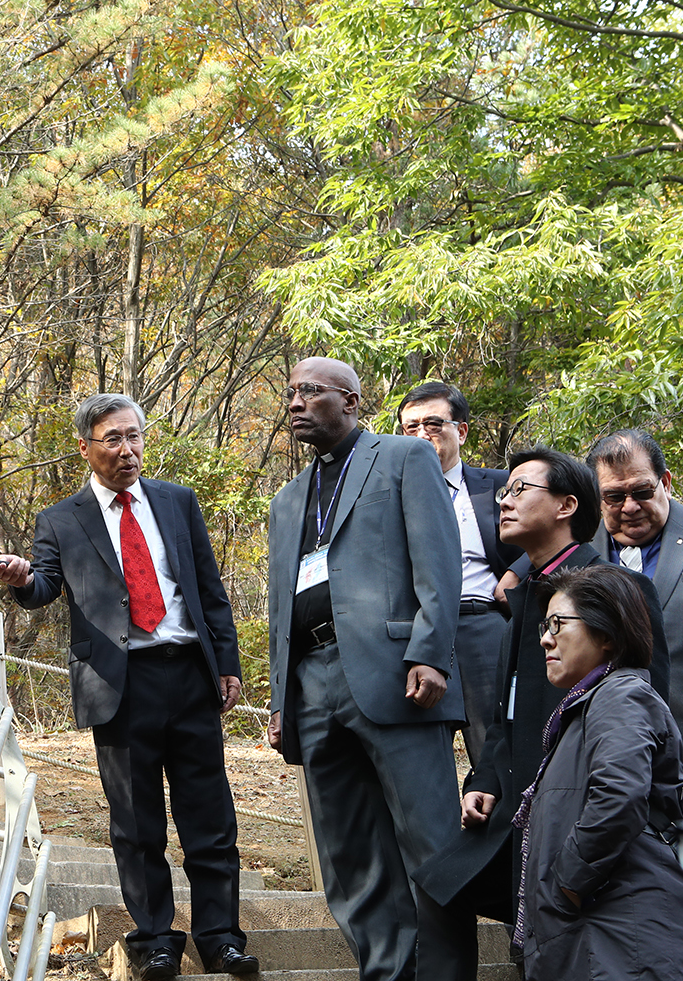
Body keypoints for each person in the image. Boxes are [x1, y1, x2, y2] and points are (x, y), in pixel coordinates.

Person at [0, 393, 257, 977]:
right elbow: (42, 587)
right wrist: (20, 579)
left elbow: (208, 588)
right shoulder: (62, 520)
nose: (127, 449)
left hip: (188, 671)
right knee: (137, 825)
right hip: (119, 683)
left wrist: (227, 661)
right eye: (112, 439)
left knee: (210, 818)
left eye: (134, 436)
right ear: (86, 448)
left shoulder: (176, 502)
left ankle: (221, 938)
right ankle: (156, 940)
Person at [266, 357, 472, 981]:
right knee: (349, 855)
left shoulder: (404, 458)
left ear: (352, 401)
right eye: (292, 393)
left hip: (395, 674)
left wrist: (431, 652)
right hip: (313, 684)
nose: (297, 402)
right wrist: (280, 698)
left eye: (312, 391)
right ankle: (386, 973)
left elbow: (439, 561)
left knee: (431, 844)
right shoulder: (287, 499)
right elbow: (279, 608)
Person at [413, 448, 670, 934]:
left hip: (583, 821)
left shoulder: (619, 589)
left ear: (566, 506)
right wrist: (485, 778)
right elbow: (505, 710)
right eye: (503, 492)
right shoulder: (525, 596)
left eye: (519, 490)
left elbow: (645, 712)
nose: (503, 502)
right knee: (440, 889)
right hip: (520, 809)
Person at [513, 565, 683, 979]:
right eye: (544, 625)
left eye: (558, 623)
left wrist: (566, 885)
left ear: (607, 635)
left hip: (620, 937)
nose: (545, 638)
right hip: (594, 938)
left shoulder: (620, 694)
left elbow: (618, 796)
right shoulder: (582, 710)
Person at [396, 381, 522, 760]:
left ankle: (496, 817)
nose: (421, 435)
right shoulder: (389, 493)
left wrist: (518, 571)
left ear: (461, 431)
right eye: (411, 427)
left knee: (495, 748)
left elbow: (558, 530)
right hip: (416, 636)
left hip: (484, 624)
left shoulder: (499, 486)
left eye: (433, 424)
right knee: (421, 756)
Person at [586, 429, 683, 730]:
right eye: (615, 497)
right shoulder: (577, 549)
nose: (630, 507)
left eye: (642, 492)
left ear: (665, 483)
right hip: (602, 739)